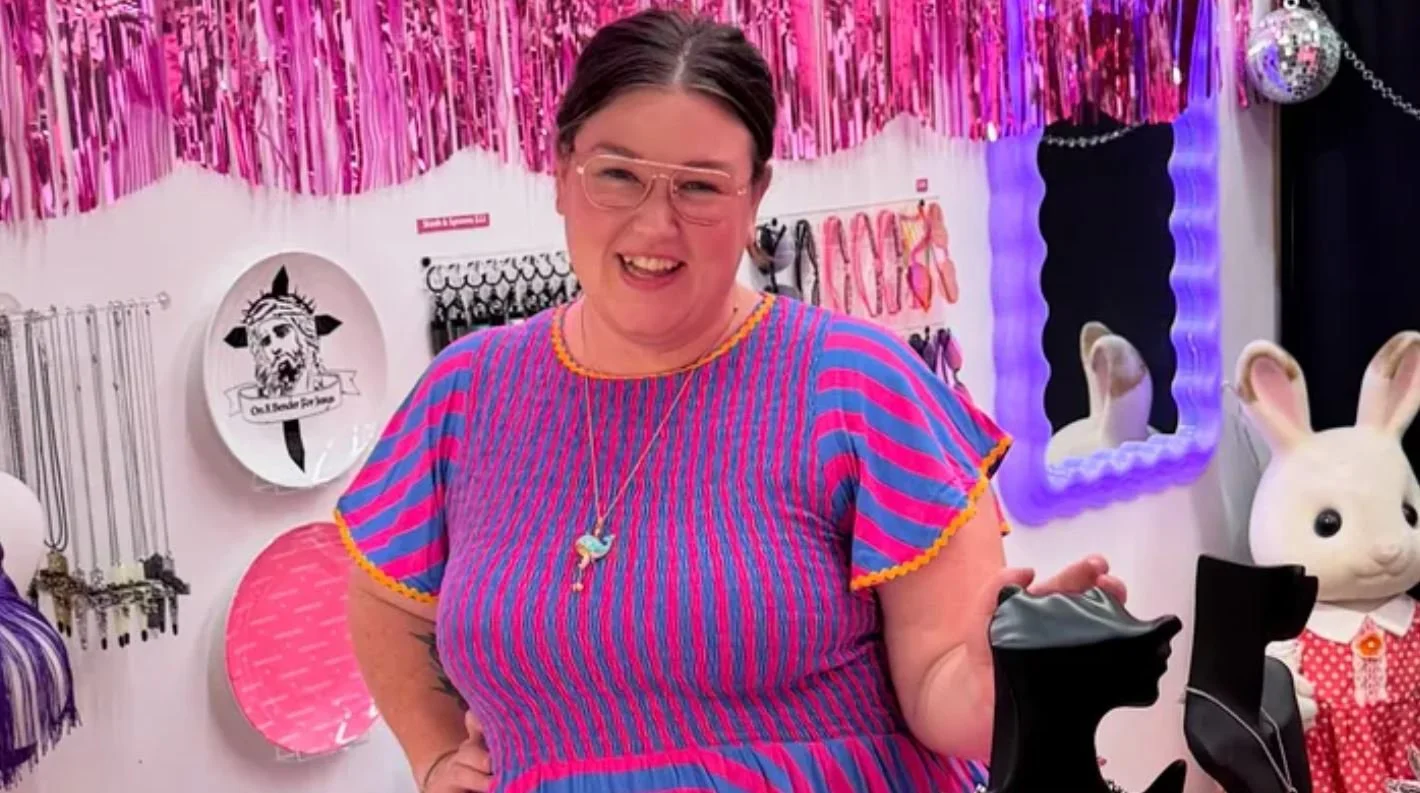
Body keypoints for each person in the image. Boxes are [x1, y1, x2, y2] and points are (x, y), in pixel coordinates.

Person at [337, 9, 1126, 792]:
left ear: (754, 198)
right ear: (561, 173)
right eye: (617, 174)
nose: (655, 223)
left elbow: (943, 693)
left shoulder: (859, 385)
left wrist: (1010, 675)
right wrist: (434, 754)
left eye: (700, 186)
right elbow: (384, 601)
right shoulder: (467, 394)